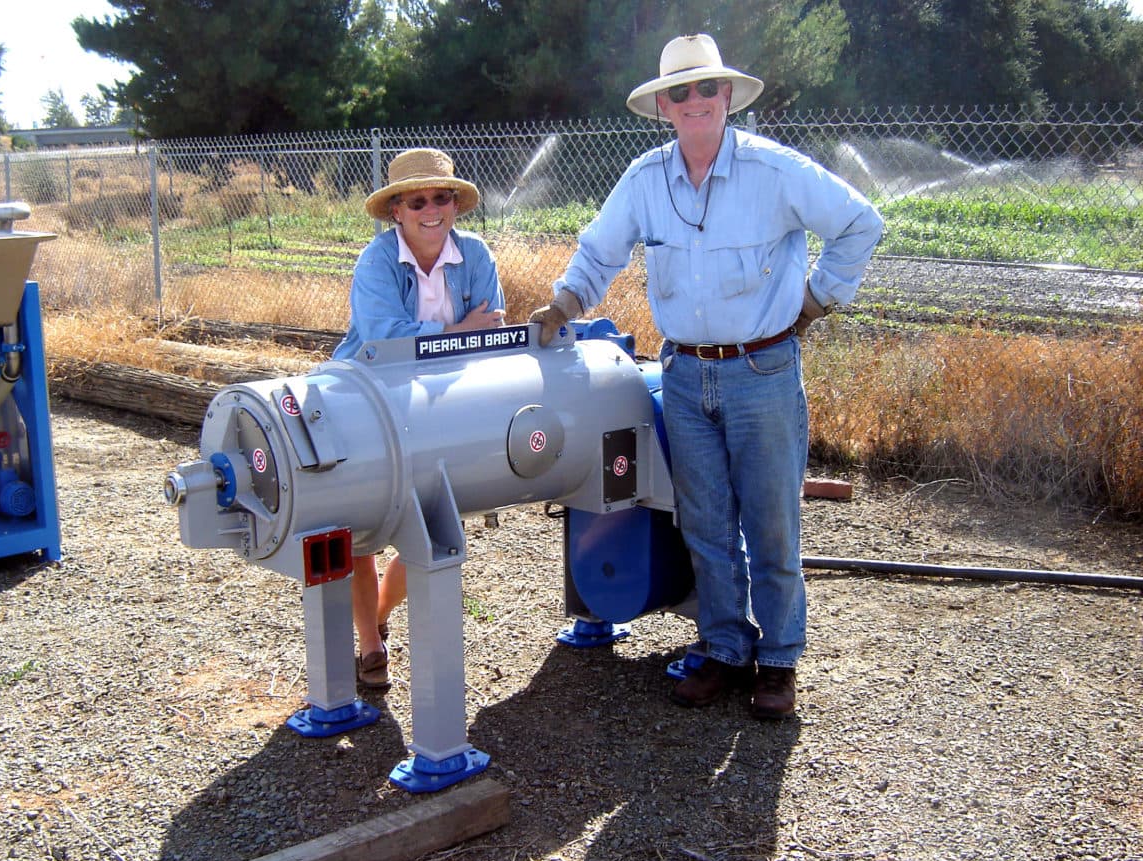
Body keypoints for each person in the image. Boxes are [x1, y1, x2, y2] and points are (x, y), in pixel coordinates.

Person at [530, 34, 883, 718]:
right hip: (686, 375)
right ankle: (725, 647)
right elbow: (600, 252)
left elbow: (859, 225)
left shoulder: (774, 172)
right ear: (664, 106)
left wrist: (816, 301)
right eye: (680, 92)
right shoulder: (643, 179)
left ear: (727, 97)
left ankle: (778, 661)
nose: (694, 102)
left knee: (773, 524)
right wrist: (566, 302)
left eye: (705, 89)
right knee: (707, 525)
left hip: (763, 371)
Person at [333, 147, 506, 687]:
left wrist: (459, 342)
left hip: (443, 400)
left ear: (454, 204)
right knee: (359, 528)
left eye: (441, 198)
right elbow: (383, 339)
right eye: (417, 201)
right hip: (369, 398)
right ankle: (368, 647)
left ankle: (379, 619)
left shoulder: (476, 254)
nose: (431, 209)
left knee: (432, 523)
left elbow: (494, 331)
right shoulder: (377, 261)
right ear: (397, 211)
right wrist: (458, 333)